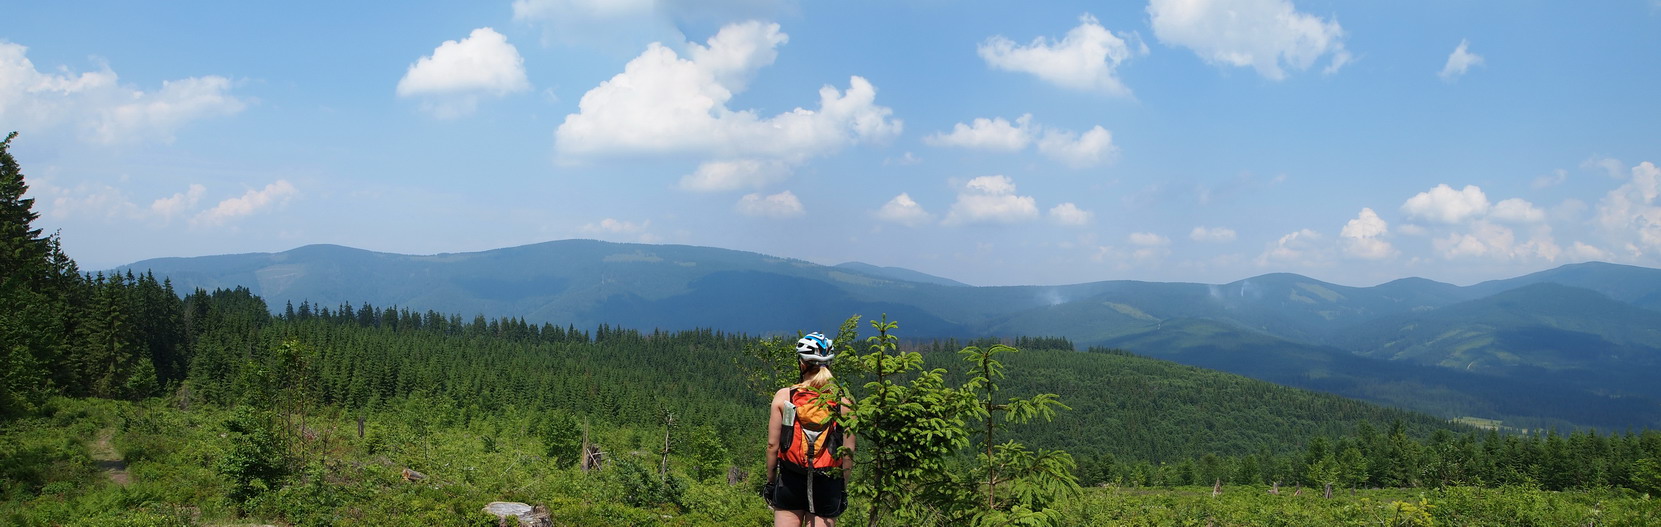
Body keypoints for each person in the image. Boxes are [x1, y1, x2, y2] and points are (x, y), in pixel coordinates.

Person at [764, 332, 855, 526]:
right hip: (828, 483)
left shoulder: (785, 396)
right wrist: (843, 487)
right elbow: (847, 454)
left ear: (802, 363)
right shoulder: (843, 402)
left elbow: (773, 445)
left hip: (790, 480)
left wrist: (771, 482)